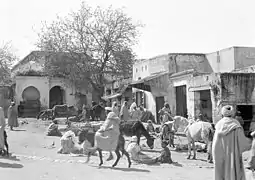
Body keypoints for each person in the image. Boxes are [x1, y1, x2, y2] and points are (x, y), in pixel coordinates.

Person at [212, 105, 252, 180]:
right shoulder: (236, 125)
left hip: (221, 156)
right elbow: (243, 142)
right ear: (232, 113)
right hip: (234, 157)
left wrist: (215, 156)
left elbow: (215, 144)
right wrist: (251, 142)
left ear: (222, 113)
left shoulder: (219, 125)